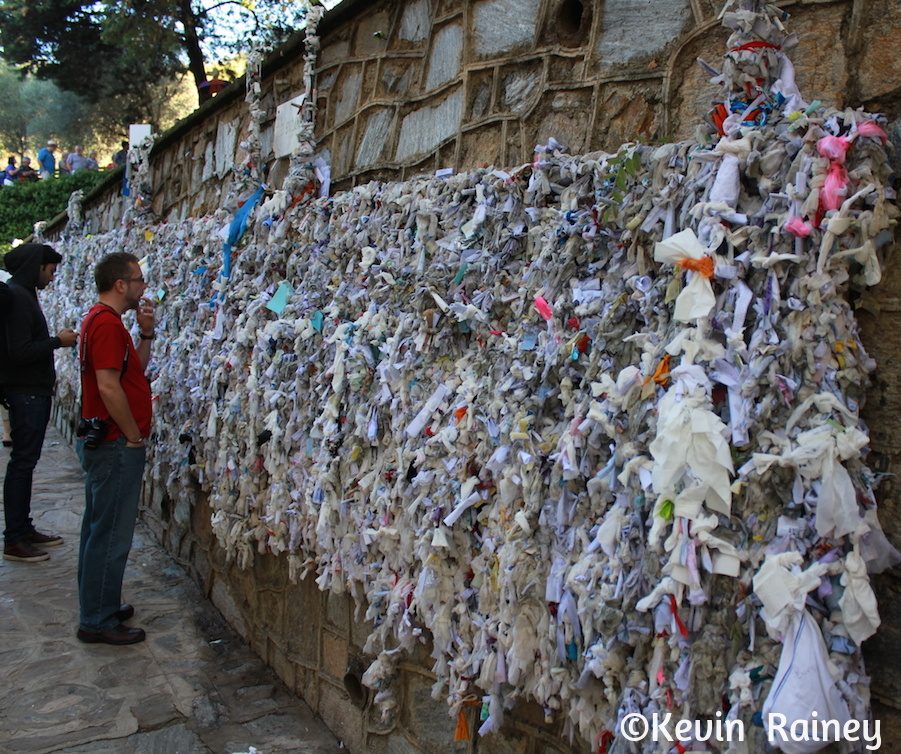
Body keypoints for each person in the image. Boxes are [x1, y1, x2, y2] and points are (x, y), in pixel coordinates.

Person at [76, 252, 154, 645]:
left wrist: (146, 333)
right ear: (120, 284)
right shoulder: (105, 324)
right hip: (113, 443)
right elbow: (109, 387)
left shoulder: (107, 323)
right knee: (110, 534)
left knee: (98, 528)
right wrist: (132, 435)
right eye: (138, 279)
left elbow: (131, 372)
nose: (143, 286)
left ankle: (99, 603)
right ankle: (97, 620)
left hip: (109, 440)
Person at [0, 243, 78, 563]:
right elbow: (20, 352)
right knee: (22, 464)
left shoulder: (22, 294)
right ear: (35, 267)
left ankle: (22, 528)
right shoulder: (18, 298)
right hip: (27, 393)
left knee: (25, 463)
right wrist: (57, 342)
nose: (52, 276)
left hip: (30, 392)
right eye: (49, 269)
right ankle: (15, 538)